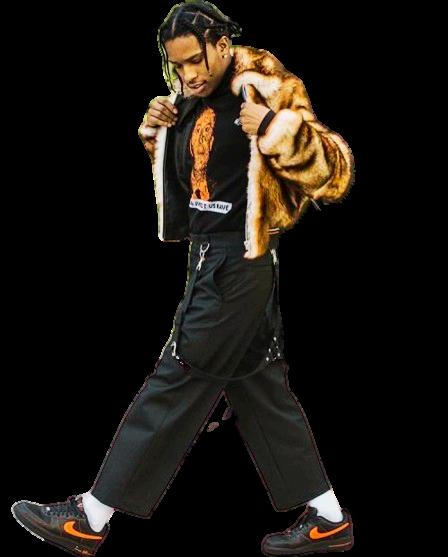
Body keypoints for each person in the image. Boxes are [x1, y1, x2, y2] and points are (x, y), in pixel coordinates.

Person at [10, 2, 355, 556]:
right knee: (259, 387)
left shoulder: (265, 85)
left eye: (197, 60)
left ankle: (90, 518)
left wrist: (273, 128)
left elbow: (334, 173)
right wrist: (158, 132)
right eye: (178, 66)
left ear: (222, 44)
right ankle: (329, 518)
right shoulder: (186, 100)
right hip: (209, 258)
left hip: (240, 262)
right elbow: (199, 178)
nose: (189, 74)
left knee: (177, 376)